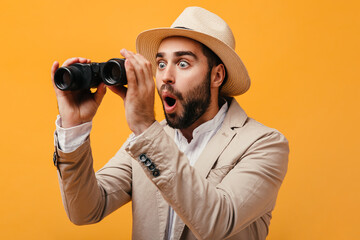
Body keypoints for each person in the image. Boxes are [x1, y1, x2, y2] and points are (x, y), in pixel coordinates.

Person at [51, 6, 289, 240]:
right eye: (161, 64)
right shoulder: (144, 141)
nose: (165, 76)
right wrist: (75, 128)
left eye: (183, 63)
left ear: (217, 75)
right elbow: (85, 210)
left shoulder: (264, 144)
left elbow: (218, 221)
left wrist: (145, 127)